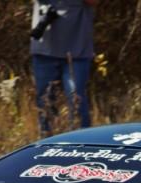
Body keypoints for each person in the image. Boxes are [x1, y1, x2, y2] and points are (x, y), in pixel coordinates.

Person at [30, 0, 97, 136]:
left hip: (76, 51)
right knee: (45, 104)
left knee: (76, 101)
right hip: (44, 50)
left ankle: (81, 148)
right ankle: (47, 149)